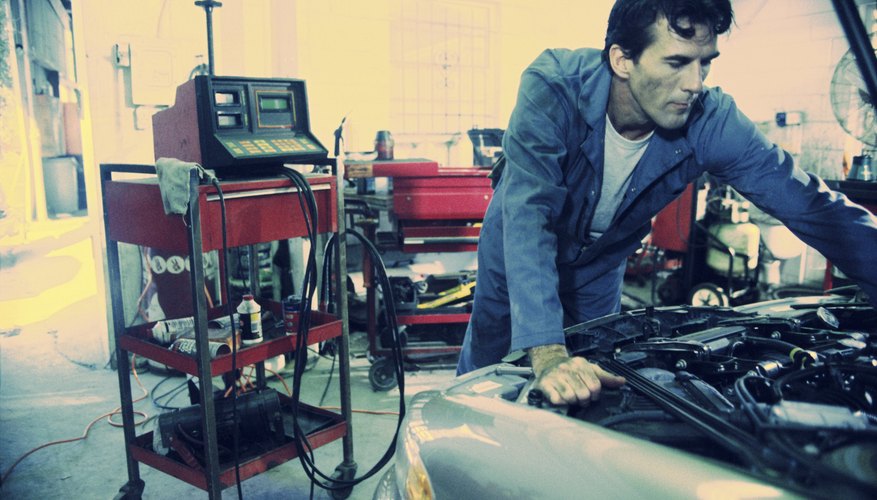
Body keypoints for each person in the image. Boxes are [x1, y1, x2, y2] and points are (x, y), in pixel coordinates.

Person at [457, 0, 877, 406]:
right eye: (676, 63)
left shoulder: (711, 120)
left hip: (601, 265)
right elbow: (530, 216)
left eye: (705, 62)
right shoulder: (553, 87)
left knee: (597, 379)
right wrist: (547, 353)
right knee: (487, 372)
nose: (695, 83)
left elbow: (808, 202)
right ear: (622, 60)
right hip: (517, 252)